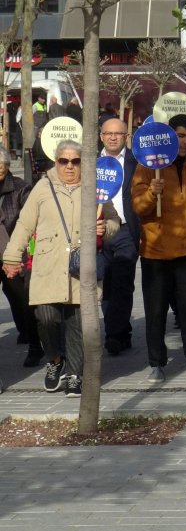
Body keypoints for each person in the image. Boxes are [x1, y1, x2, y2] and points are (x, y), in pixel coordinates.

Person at [3, 140, 120, 397]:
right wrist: (12, 257)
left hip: (82, 266)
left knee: (77, 322)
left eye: (75, 161)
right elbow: (24, 225)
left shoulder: (94, 188)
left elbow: (114, 220)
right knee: (46, 317)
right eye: (63, 161)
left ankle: (75, 374)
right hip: (48, 264)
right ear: (56, 161)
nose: (69, 166)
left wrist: (105, 228)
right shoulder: (43, 187)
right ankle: (55, 360)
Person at [133, 114, 186, 383]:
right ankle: (156, 362)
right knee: (155, 312)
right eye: (181, 136)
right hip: (155, 251)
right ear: (169, 136)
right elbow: (138, 208)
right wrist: (151, 193)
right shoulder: (147, 166)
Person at [99, 118, 140, 355]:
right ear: (101, 136)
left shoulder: (136, 163)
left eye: (118, 133)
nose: (113, 137)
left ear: (126, 136)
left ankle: (114, 335)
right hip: (98, 228)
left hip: (126, 229)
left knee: (123, 282)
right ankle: (120, 331)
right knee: (106, 281)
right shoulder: (90, 162)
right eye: (108, 133)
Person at [0, 147, 43, 366]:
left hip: (14, 252)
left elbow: (29, 223)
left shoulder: (20, 189)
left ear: (7, 166)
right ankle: (25, 332)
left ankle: (34, 342)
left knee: (22, 296)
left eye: (1, 164)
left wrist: (18, 255)